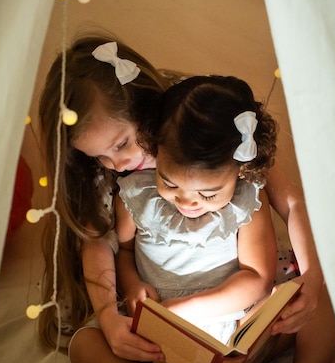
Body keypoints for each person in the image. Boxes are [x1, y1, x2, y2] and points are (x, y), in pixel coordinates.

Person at [37, 34, 335, 363]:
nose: (119, 164)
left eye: (123, 144)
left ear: (146, 113)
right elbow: (105, 245)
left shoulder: (202, 130)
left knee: (322, 295)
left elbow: (289, 204)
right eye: (100, 157)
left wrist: (315, 275)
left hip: (236, 309)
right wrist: (110, 314)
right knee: (87, 348)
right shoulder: (124, 190)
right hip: (163, 320)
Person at [115, 75, 278, 349]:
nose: (186, 201)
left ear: (240, 170)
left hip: (221, 320)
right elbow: (125, 251)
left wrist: (183, 309)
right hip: (150, 324)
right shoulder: (136, 195)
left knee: (289, 317)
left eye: (208, 193)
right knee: (86, 347)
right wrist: (131, 285)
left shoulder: (247, 203)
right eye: (169, 182)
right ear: (156, 150)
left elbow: (257, 278)